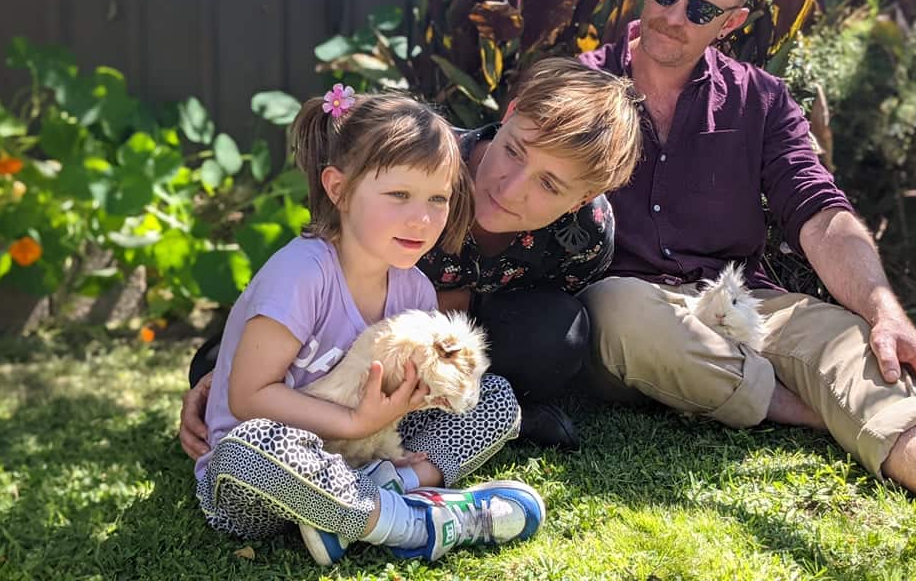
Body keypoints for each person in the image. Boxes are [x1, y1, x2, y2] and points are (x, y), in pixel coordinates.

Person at [576, 0, 916, 533]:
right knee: (617, 310)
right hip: (631, 307)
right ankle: (799, 408)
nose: (673, 15)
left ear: (730, 22)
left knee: (855, 345)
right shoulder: (577, 86)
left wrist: (884, 310)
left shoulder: (762, 99)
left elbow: (819, 210)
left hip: (742, 301)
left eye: (699, 8)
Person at [181, 57, 644, 452]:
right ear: (511, 111)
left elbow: (544, 316)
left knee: (558, 335)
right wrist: (227, 382)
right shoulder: (418, 161)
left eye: (549, 184)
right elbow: (313, 274)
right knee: (221, 363)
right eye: (515, 151)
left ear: (585, 198)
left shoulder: (586, 236)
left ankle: (470, 427)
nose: (511, 185)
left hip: (453, 350)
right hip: (340, 337)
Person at [192, 89, 544, 566]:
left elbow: (399, 400)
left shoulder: (415, 290)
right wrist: (358, 423)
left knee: (495, 399)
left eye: (437, 198)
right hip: (265, 483)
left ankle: (373, 500)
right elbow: (249, 398)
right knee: (248, 450)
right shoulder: (300, 275)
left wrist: (419, 397)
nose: (421, 218)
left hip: (364, 457)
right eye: (399, 194)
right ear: (338, 189)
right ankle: (414, 524)